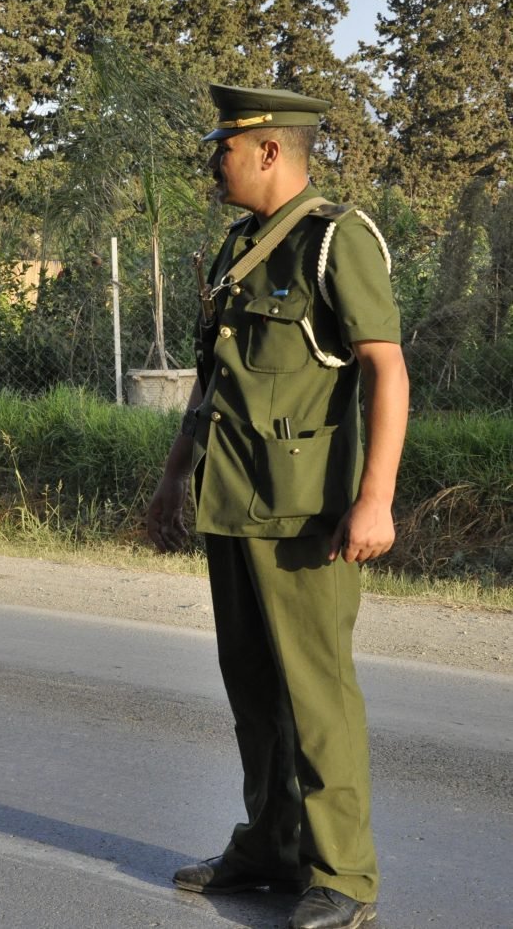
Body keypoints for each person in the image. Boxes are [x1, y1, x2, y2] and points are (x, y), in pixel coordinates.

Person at [147, 85, 410, 929]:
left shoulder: (335, 241)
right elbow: (213, 382)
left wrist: (377, 499)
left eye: (222, 145)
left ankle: (345, 878)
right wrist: (174, 477)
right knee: (251, 686)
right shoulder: (240, 247)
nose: (211, 160)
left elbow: (387, 370)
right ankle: (270, 845)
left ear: (268, 151)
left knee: (316, 693)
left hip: (306, 516)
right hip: (233, 501)